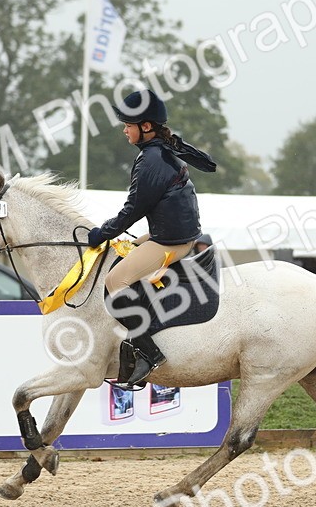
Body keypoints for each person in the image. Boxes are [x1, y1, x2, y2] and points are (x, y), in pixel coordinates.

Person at [86, 90, 217, 385]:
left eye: (128, 124)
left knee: (114, 281)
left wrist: (100, 234)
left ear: (146, 127)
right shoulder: (161, 152)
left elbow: (131, 210)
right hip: (169, 233)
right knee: (125, 251)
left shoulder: (151, 161)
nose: (124, 129)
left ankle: (148, 352)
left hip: (170, 241)